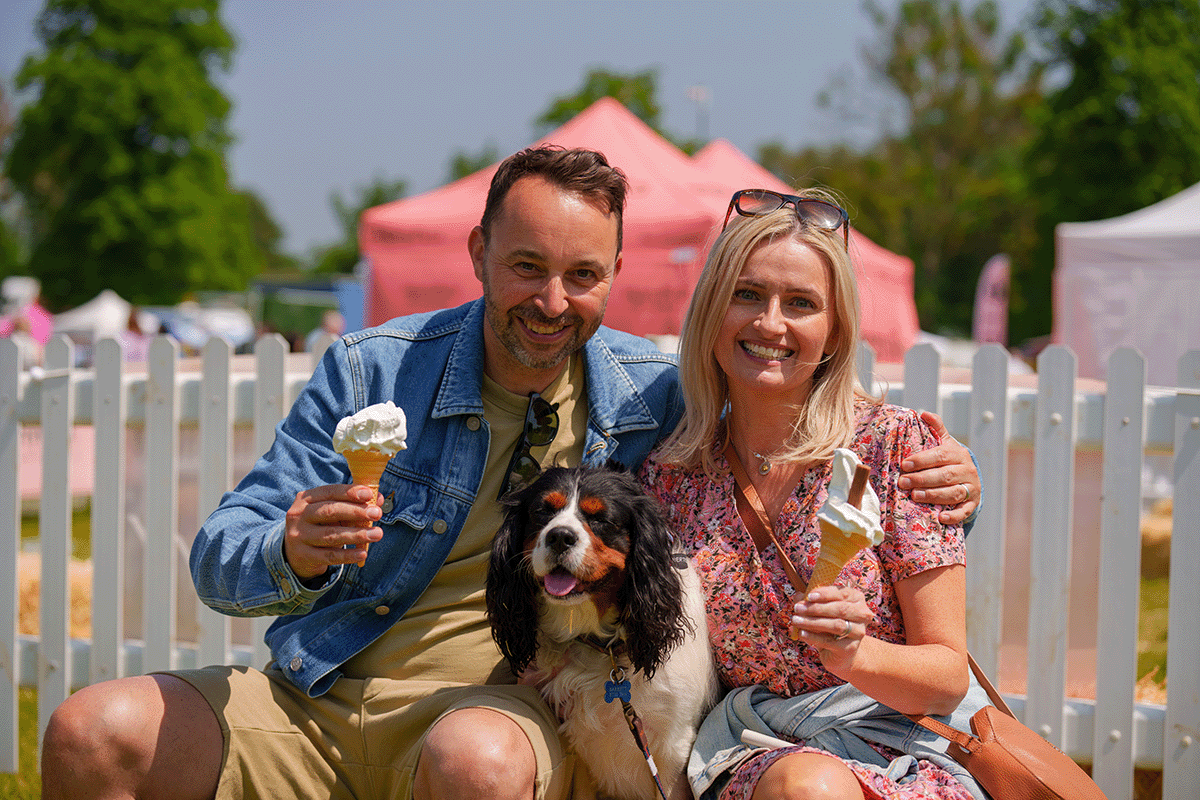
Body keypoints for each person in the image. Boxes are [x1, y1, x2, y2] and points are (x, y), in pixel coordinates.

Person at [40, 152, 980, 800]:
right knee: (89, 731)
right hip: (315, 694)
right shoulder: (372, 370)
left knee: (476, 758)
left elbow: (796, 409)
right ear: (478, 253)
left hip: (489, 711)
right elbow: (218, 558)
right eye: (526, 266)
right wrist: (290, 548)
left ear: (615, 277)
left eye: (582, 275)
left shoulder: (645, 399)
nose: (551, 300)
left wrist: (943, 474)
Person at [639, 189, 990, 800]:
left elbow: (945, 674)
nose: (770, 323)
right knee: (808, 786)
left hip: (905, 750)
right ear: (712, 313)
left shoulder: (890, 449)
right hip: (756, 750)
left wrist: (857, 655)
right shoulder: (671, 479)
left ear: (833, 334)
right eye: (747, 294)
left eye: (800, 303)